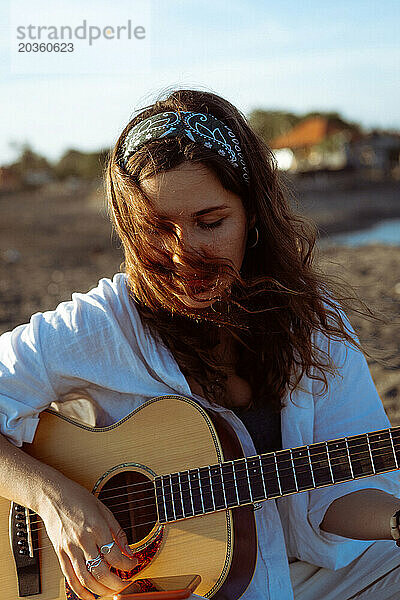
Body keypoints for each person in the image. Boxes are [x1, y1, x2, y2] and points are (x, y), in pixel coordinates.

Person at [0, 88, 400, 600]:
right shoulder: (101, 325)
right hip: (182, 588)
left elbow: (333, 493)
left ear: (252, 214)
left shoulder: (312, 322)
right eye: (157, 229)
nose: (184, 253)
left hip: (309, 573)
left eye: (210, 223)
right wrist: (55, 501)